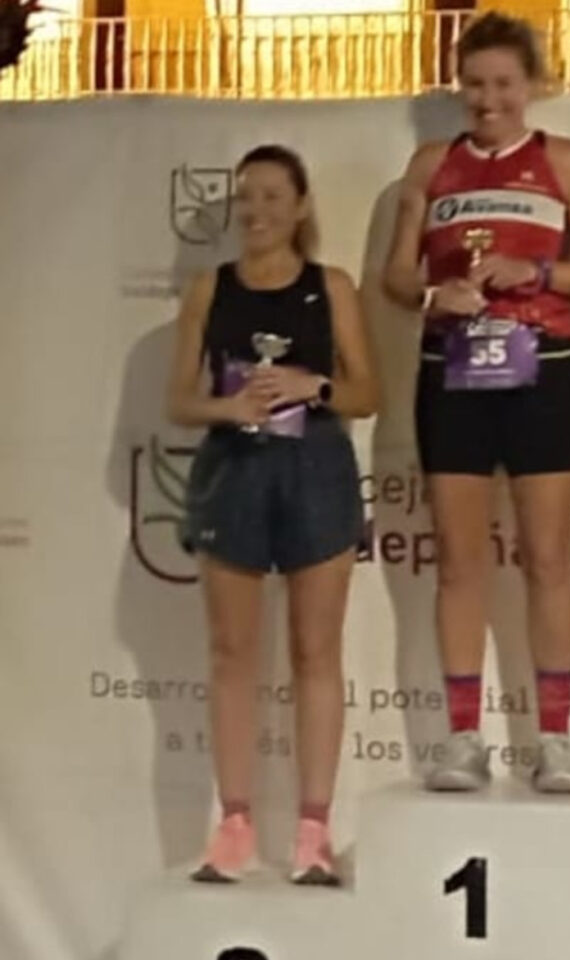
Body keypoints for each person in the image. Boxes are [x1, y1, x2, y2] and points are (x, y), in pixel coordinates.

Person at [383, 11, 570, 793]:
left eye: (504, 85)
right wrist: (435, 291)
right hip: (453, 372)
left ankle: (555, 739)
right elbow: (395, 277)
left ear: (533, 86)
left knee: (548, 557)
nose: (488, 100)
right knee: (459, 562)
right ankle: (461, 739)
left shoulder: (565, 160)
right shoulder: (432, 164)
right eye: (475, 85)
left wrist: (537, 274)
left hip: (541, 369)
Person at [166, 144, 377, 885]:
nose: (256, 211)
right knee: (232, 653)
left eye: (271, 197)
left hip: (316, 468)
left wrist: (311, 385)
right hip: (234, 470)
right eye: (246, 197)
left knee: (316, 652)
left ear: (300, 206)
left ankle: (313, 832)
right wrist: (230, 407)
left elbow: (367, 394)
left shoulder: (332, 286)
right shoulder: (210, 288)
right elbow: (179, 400)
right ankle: (234, 825)